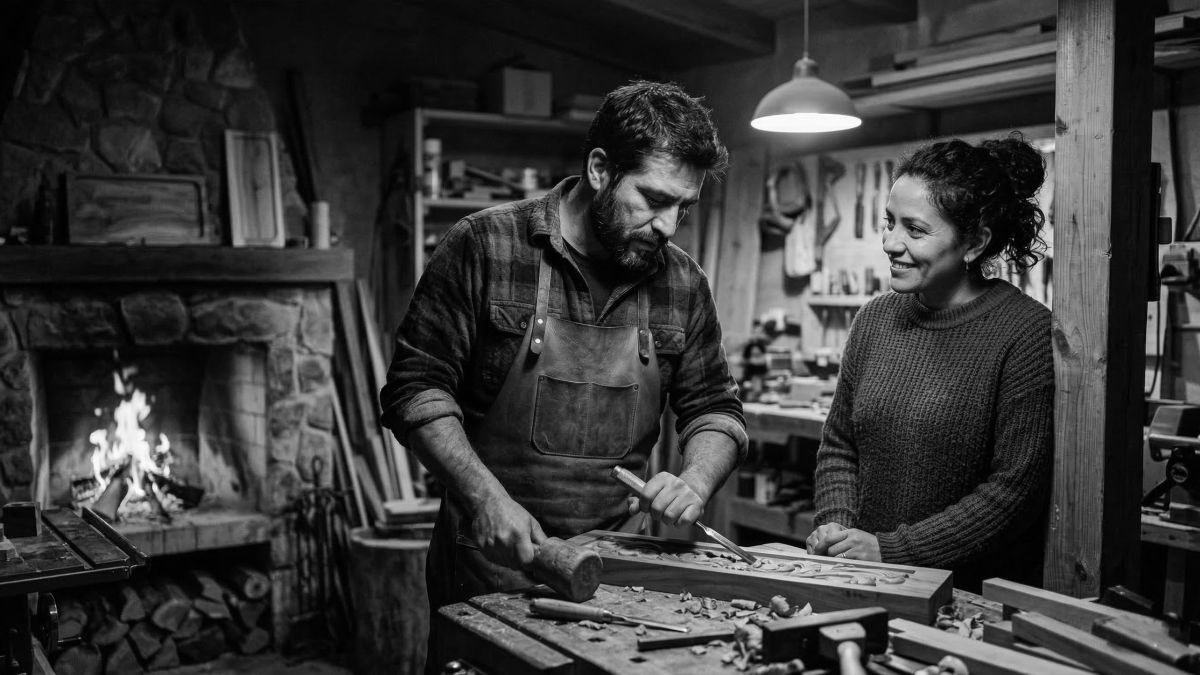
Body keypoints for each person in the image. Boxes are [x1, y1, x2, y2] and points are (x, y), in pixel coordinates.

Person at [380, 81, 747, 614]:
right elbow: (414, 390)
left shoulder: (682, 283)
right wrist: (485, 498)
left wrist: (695, 479)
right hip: (492, 555)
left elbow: (715, 408)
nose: (668, 226)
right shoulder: (485, 245)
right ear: (600, 169)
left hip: (619, 565)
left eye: (683, 209)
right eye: (654, 200)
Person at [806, 133, 1054, 592]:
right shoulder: (874, 320)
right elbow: (840, 446)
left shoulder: (1026, 333)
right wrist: (838, 529)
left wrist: (892, 550)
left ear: (975, 242)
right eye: (889, 222)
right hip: (864, 578)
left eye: (914, 230)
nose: (890, 242)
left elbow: (1014, 492)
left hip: (970, 595)